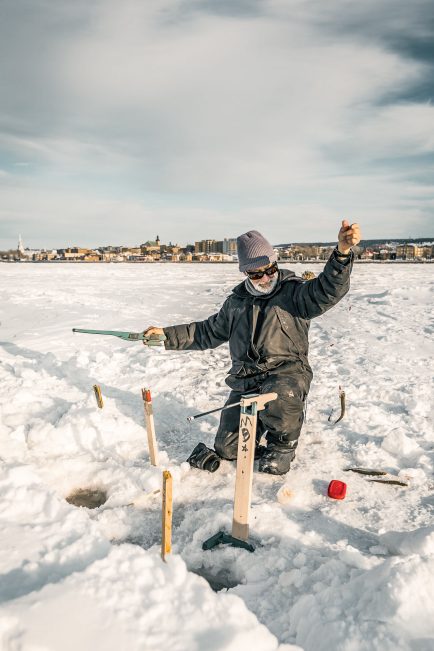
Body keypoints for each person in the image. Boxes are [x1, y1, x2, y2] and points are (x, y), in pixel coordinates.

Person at [144, 220, 361, 475]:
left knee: (280, 398)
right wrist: (166, 336)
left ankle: (282, 445)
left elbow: (327, 290)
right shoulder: (235, 304)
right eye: (257, 274)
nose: (265, 278)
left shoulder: (295, 293)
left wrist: (342, 253)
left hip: (287, 374)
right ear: (246, 273)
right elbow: (206, 332)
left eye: (270, 269)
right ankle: (255, 431)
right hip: (247, 380)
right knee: (228, 448)